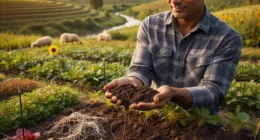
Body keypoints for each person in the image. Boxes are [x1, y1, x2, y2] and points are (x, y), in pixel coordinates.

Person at [104, 0, 242, 114]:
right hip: (156, 117)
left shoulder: (227, 38)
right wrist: (133, 83)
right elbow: (141, 68)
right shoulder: (150, 25)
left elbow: (214, 91)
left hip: (200, 123)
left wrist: (173, 94)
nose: (175, 1)